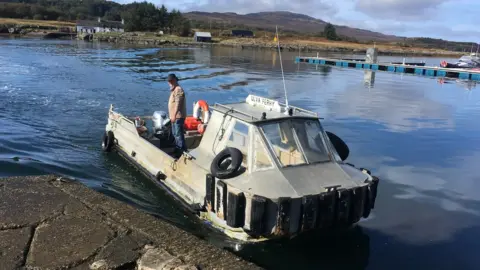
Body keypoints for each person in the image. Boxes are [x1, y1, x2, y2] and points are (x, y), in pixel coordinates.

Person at [167, 73, 187, 154]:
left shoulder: (178, 89)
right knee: (176, 134)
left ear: (175, 80)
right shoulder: (174, 90)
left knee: (178, 135)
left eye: (171, 81)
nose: (170, 83)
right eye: (169, 81)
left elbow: (178, 104)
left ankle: (181, 152)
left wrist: (174, 116)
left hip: (178, 117)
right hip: (174, 117)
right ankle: (180, 150)